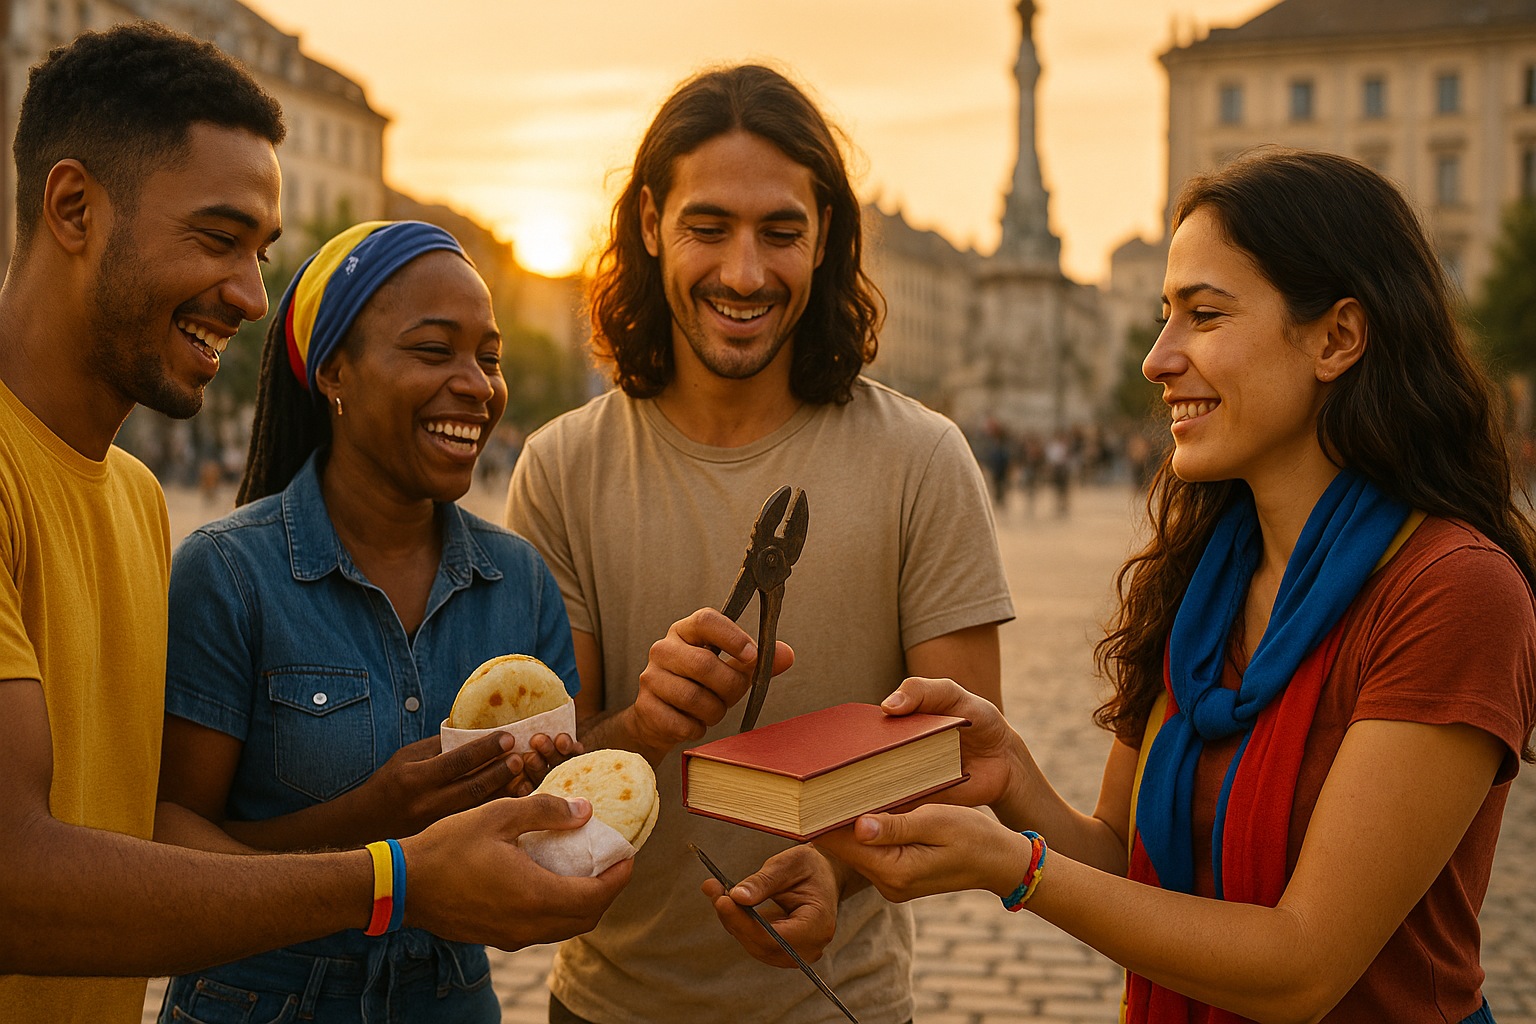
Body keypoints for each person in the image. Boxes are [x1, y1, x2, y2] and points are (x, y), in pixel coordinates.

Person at [725, 150, 1536, 1024]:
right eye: (1163, 316)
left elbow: (1301, 967)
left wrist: (1012, 868)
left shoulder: (1451, 592)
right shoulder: (1205, 575)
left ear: (1337, 338)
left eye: (1204, 316)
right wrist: (1015, 781)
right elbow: (1119, 860)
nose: (1157, 359)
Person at [0, 25, 626, 1024]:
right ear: (73, 207)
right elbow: (15, 881)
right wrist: (395, 875)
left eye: (261, 253)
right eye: (217, 237)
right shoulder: (211, 555)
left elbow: (139, 841)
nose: (252, 297)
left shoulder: (133, 498)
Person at [504, 63, 1015, 1024]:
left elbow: (959, 762)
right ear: (651, 223)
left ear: (824, 239)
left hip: (841, 1007)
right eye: (709, 228)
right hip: (609, 1007)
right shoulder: (560, 468)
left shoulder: (924, 459)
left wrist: (837, 872)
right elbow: (539, 777)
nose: (744, 274)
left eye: (780, 233)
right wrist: (642, 727)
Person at [155, 220, 586, 1022]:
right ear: (335, 372)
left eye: (489, 357)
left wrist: (552, 825)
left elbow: (556, 829)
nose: (477, 384)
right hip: (259, 1000)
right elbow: (169, 839)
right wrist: (375, 822)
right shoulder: (228, 574)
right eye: (433, 350)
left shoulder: (519, 581)